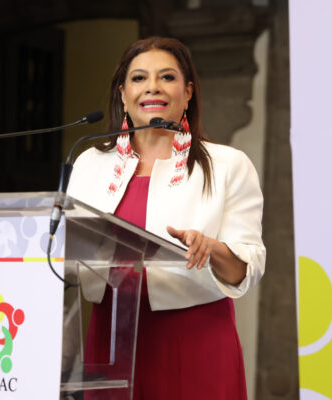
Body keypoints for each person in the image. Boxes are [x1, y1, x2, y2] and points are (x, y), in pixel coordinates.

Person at [66, 36, 265, 399]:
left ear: (188, 93)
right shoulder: (88, 164)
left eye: (167, 77)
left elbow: (246, 269)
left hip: (194, 339)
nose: (152, 87)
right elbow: (66, 252)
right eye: (139, 78)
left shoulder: (228, 165)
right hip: (110, 338)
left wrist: (211, 249)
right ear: (123, 94)